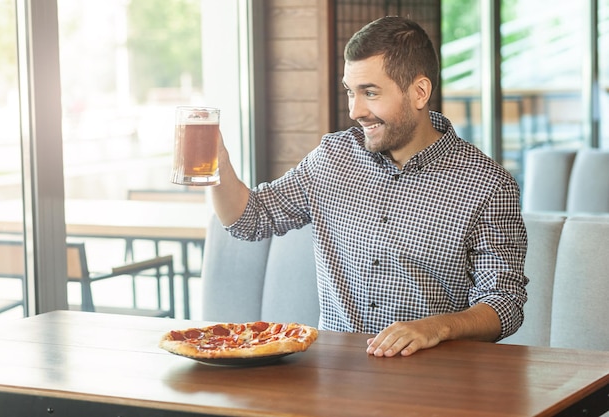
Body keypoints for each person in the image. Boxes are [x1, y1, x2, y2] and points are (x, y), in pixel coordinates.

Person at [210, 16, 528, 357]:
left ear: (419, 92)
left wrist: (437, 326)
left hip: (434, 381)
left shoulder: (488, 184)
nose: (355, 110)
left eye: (370, 93)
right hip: (336, 376)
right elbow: (250, 219)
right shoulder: (331, 157)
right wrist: (217, 163)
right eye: (350, 92)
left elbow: (504, 303)